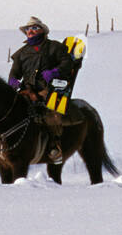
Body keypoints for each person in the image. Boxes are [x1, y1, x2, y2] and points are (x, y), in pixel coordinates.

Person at [8, 16, 78, 163]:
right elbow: (15, 73)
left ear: (42, 30)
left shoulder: (55, 47)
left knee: (51, 112)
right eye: (28, 29)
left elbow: (68, 63)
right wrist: (13, 81)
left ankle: (54, 145)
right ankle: (1, 143)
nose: (30, 31)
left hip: (48, 89)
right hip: (26, 90)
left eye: (34, 28)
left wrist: (55, 71)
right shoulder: (21, 53)